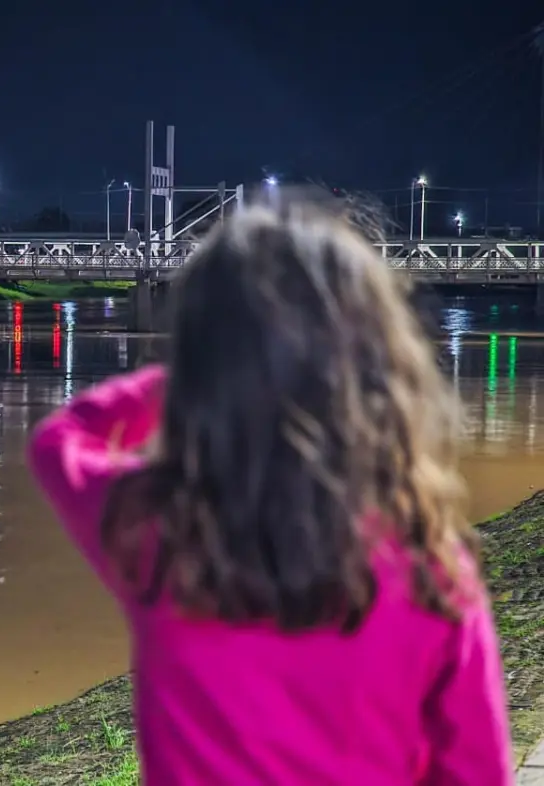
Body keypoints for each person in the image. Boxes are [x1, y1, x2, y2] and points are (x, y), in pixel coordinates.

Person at [28, 200, 513, 785]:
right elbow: (477, 772)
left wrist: (198, 382)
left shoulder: (163, 533)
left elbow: (60, 442)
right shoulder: (431, 571)